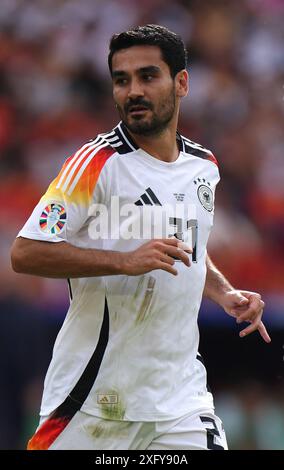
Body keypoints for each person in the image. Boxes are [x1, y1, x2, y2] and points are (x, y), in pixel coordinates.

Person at [11, 24, 270, 451]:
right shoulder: (95, 164)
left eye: (148, 76)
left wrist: (225, 293)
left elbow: (190, 246)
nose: (133, 90)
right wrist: (123, 261)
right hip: (93, 402)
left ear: (181, 82)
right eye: (121, 79)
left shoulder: (204, 166)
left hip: (180, 401)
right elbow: (26, 252)